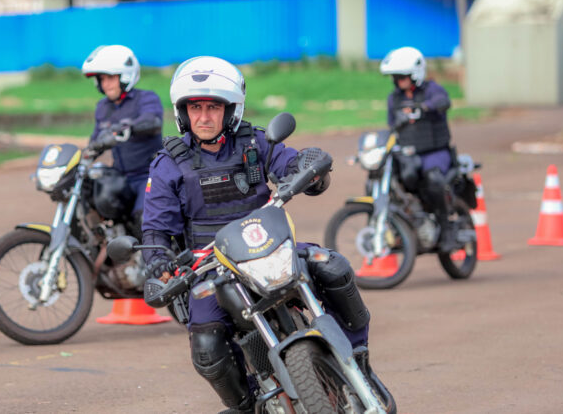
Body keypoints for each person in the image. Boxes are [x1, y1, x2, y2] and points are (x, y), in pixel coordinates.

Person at [141, 56, 371, 413]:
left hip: (271, 248)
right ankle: (246, 404)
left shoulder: (255, 143)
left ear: (230, 109)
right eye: (195, 107)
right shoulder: (169, 164)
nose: (203, 117)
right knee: (206, 341)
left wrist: (309, 167)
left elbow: (290, 164)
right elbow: (156, 227)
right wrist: (159, 263)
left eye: (213, 107)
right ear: (182, 112)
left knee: (332, 266)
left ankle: (358, 356)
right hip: (212, 268)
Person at [380, 46, 456, 253]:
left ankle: (447, 227)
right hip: (407, 153)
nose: (399, 80)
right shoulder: (393, 99)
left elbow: (444, 101)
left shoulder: (432, 90)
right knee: (379, 176)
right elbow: (391, 126)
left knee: (432, 178)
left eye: (403, 76)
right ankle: (391, 228)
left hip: (434, 151)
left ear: (415, 74)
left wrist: (423, 108)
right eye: (396, 77)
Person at [81, 45, 164, 236]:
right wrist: (81, 159)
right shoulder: (102, 107)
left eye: (110, 78)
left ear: (125, 76)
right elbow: (95, 142)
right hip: (120, 176)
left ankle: (151, 262)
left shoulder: (146, 98)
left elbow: (152, 121)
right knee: (88, 197)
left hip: (148, 175)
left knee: (145, 220)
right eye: (102, 79)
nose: (105, 84)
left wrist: (128, 128)